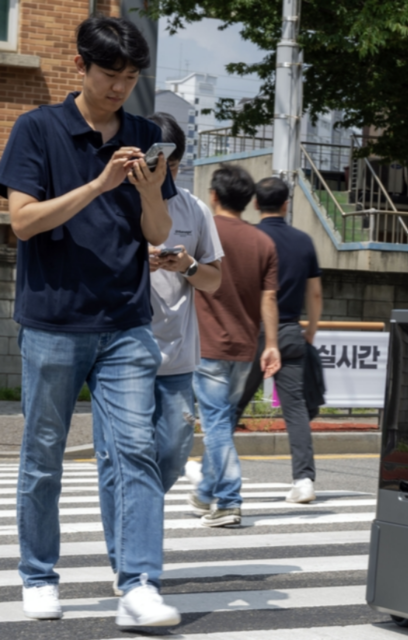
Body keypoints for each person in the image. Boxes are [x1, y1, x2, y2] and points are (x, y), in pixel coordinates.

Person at [0, 16, 181, 625]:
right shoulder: (36, 129)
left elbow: (157, 233)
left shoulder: (143, 133)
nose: (119, 89)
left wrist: (150, 188)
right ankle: (38, 573)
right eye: (110, 75)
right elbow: (23, 222)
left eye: (131, 78)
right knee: (44, 453)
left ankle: (137, 584)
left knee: (134, 450)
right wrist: (102, 183)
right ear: (80, 66)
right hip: (53, 321)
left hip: (126, 321)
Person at [94, 112, 224, 595]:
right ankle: (126, 560)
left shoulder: (194, 212)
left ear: (177, 162)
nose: (155, 168)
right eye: (149, 157)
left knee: (168, 458)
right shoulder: (113, 203)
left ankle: (134, 515)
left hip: (176, 361)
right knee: (120, 460)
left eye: (164, 160)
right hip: (118, 356)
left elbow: (214, 282)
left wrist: (187, 264)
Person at [190, 165, 281, 527]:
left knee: (214, 423)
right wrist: (271, 344)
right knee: (222, 422)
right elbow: (269, 299)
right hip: (245, 346)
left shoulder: (204, 231)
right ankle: (205, 492)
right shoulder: (263, 242)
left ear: (214, 195)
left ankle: (228, 499)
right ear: (249, 200)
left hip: (208, 342)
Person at [234, 177, 324, 503]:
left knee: (232, 406)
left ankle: (214, 474)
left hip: (250, 332)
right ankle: (304, 480)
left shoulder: (249, 237)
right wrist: (310, 329)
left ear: (256, 204)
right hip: (289, 331)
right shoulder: (303, 241)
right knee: (295, 409)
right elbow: (314, 292)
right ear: (286, 204)